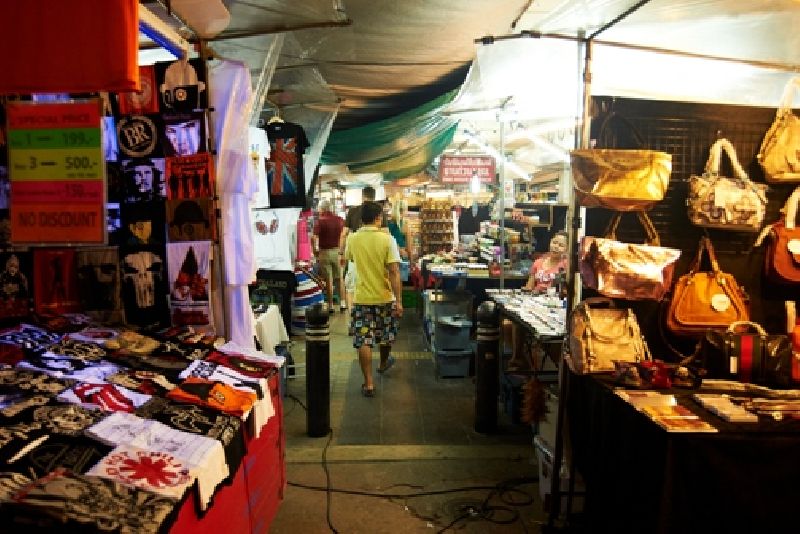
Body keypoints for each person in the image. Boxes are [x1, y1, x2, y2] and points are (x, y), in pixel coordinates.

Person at [345, 201, 403, 397]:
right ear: (379, 218)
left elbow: (351, 260)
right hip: (384, 297)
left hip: (361, 298)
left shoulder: (352, 239)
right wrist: (399, 300)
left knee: (364, 340)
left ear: (362, 219)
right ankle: (384, 363)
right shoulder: (388, 240)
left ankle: (368, 383)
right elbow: (394, 271)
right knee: (386, 335)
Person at [506, 231, 568, 371]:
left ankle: (544, 365)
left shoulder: (566, 266)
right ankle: (518, 359)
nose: (556, 247)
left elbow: (565, 291)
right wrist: (527, 291)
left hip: (553, 307)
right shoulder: (539, 262)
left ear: (567, 249)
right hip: (535, 304)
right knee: (513, 322)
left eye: (561, 245)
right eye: (554, 242)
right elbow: (529, 285)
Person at [312, 199, 346, 313]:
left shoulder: (320, 221)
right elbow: (344, 235)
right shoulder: (340, 220)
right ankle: (342, 303)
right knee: (339, 279)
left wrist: (314, 250)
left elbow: (313, 237)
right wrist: (342, 251)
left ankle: (331, 305)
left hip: (324, 253)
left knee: (329, 279)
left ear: (322, 209)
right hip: (336, 252)